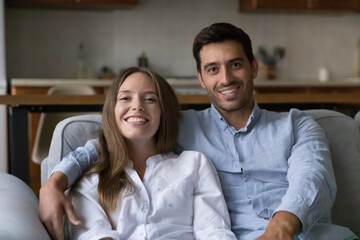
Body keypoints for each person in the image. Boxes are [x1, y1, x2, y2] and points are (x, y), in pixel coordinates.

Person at [40, 23, 358, 240]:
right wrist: (55, 181)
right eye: (212, 69)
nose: (226, 78)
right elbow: (114, 140)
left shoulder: (298, 125)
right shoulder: (182, 124)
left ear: (254, 67)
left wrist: (282, 226)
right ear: (201, 78)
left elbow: (313, 178)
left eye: (236, 64)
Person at [60, 67, 237, 239]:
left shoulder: (195, 165)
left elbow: (214, 231)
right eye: (125, 98)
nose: (137, 106)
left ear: (163, 111)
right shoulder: (90, 181)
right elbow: (95, 235)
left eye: (150, 99)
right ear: (112, 110)